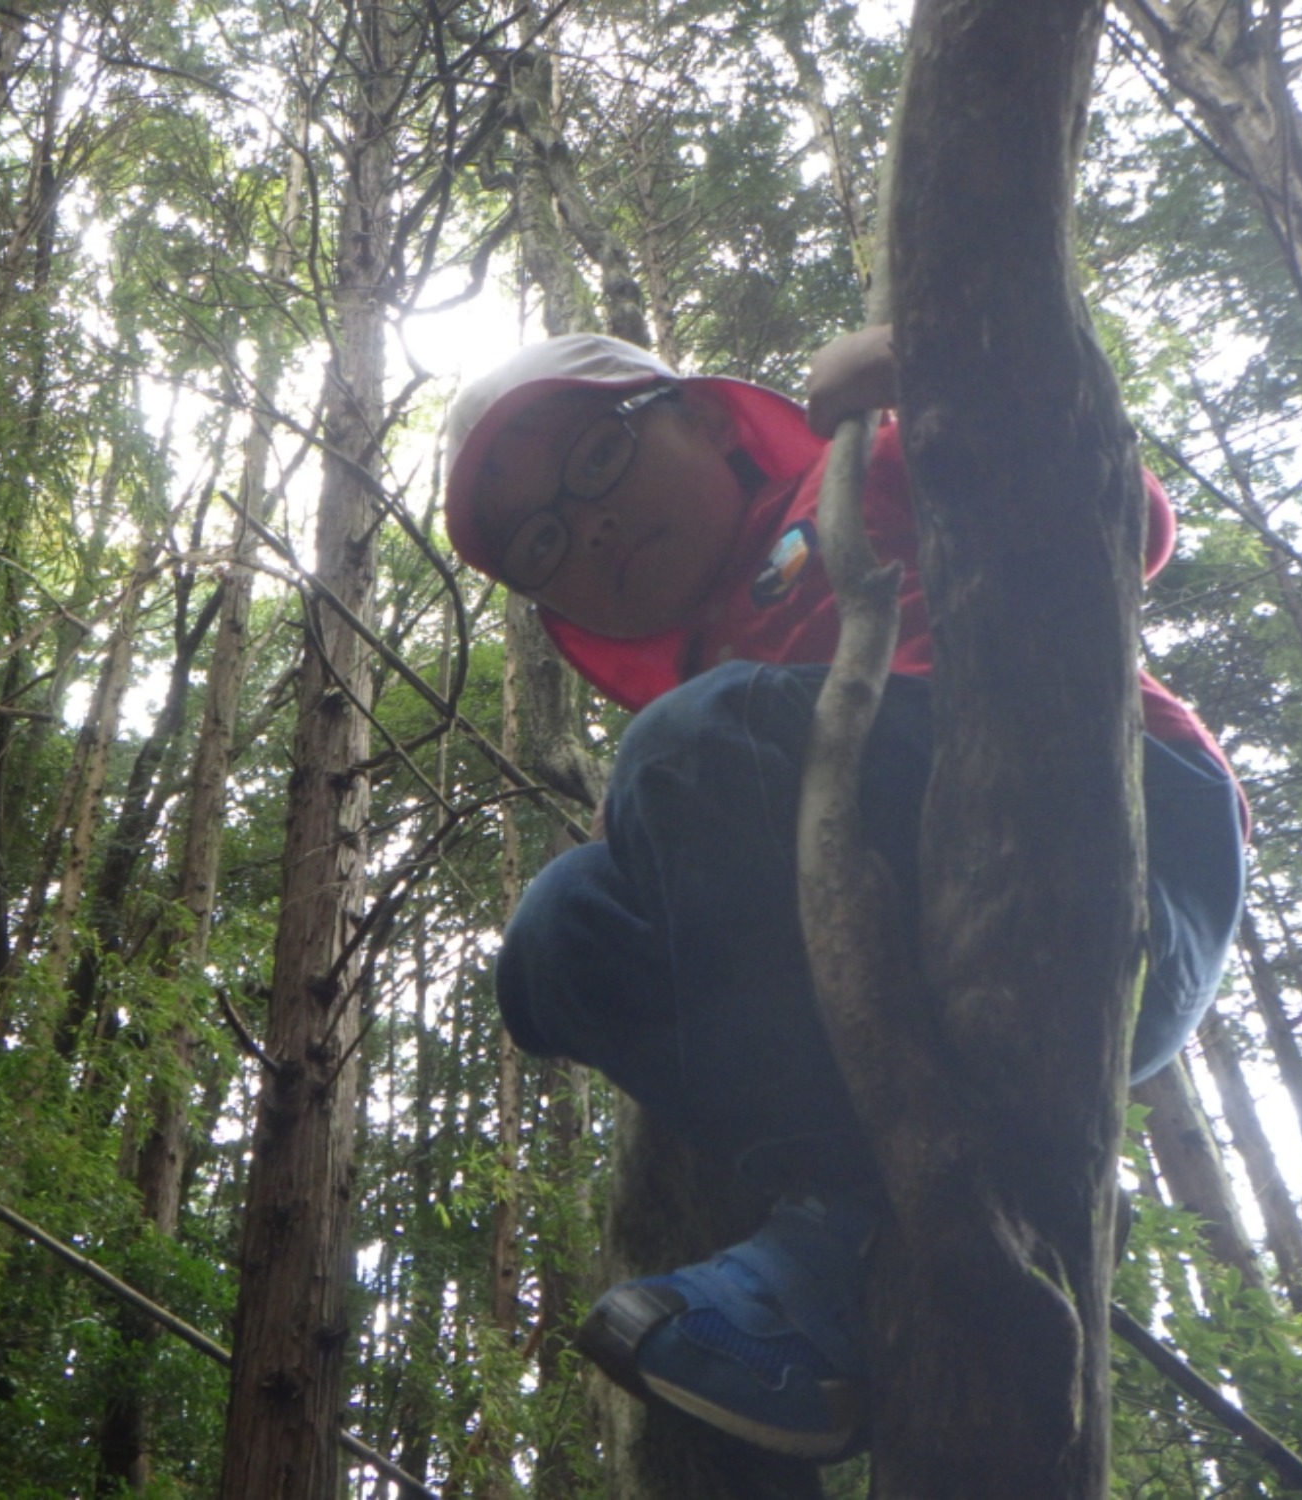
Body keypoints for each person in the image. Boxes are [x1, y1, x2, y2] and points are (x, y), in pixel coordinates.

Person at [441, 330, 1247, 1460]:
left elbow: (1126, 520)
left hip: (1099, 852)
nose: (591, 526)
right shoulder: (709, 682)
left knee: (689, 740)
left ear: (712, 420)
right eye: (544, 537)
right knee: (556, 933)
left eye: (595, 460)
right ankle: (841, 1236)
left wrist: (943, 370)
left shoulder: (848, 466)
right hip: (908, 963)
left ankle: (840, 1214)